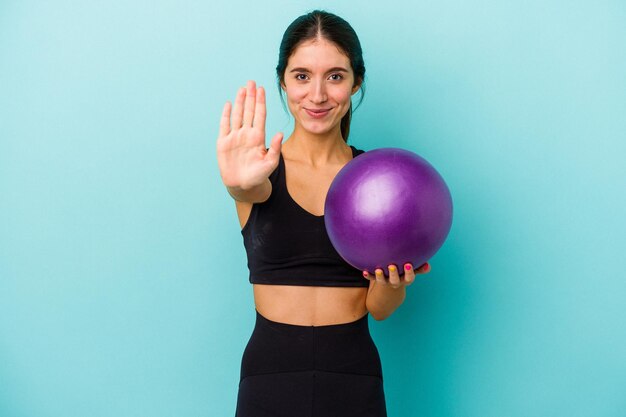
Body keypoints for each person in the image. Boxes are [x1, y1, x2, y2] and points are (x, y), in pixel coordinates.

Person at [216, 10, 431, 417]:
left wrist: (394, 280)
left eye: (334, 76)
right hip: (270, 373)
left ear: (355, 83)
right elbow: (248, 188)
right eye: (301, 76)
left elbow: (380, 310)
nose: (316, 95)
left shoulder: (378, 182)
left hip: (352, 372)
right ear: (282, 80)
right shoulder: (257, 171)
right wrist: (237, 182)